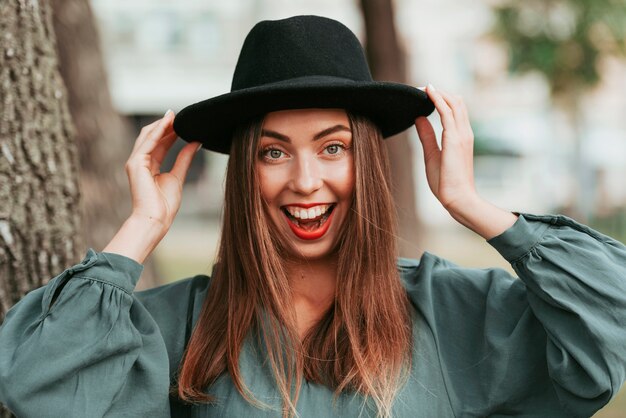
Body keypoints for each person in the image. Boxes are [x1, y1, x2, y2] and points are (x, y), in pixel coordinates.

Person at [1, 14, 625, 418]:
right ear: (245, 170)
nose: (305, 181)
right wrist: (140, 229)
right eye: (274, 152)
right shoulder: (180, 326)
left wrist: (475, 207)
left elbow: (607, 331)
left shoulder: (451, 312)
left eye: (334, 148)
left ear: (369, 164)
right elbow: (35, 387)